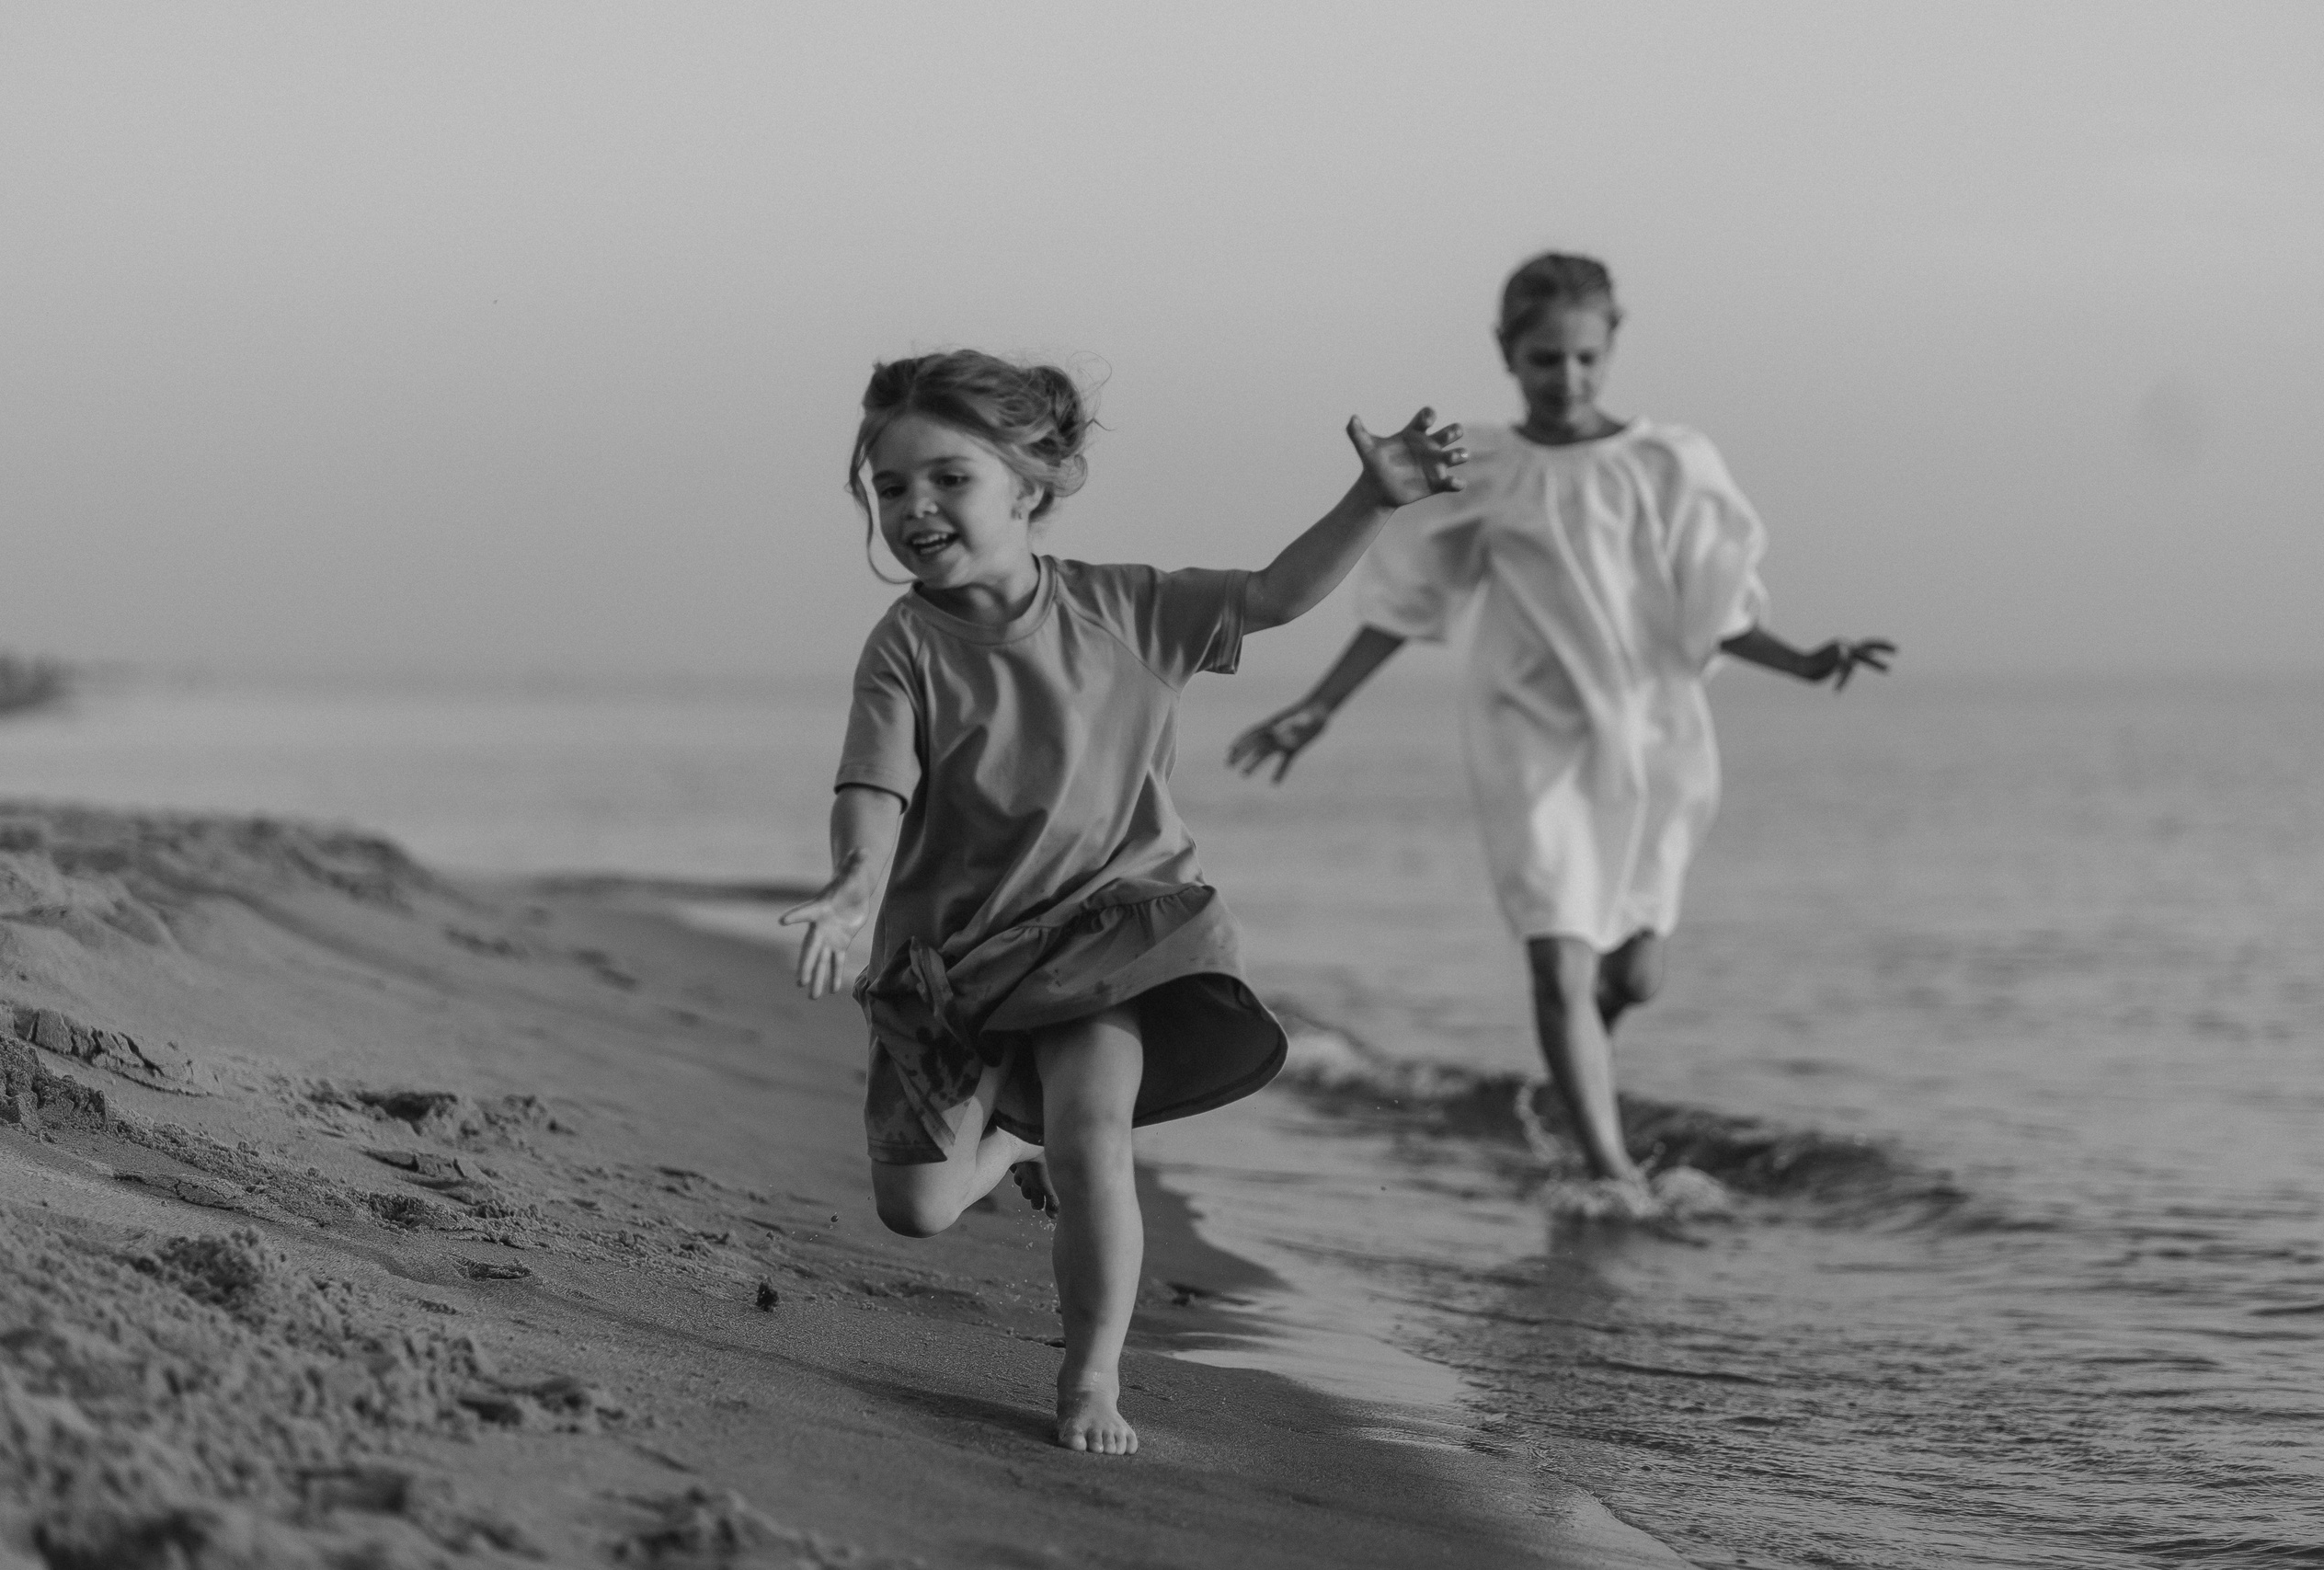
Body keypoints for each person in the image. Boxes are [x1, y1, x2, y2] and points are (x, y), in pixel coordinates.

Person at [782, 350, 1464, 1454]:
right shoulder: (905, 645)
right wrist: (855, 886)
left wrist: (1372, 498)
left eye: (948, 479)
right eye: (890, 486)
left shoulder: (1129, 609)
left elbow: (1277, 596)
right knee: (919, 1207)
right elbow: (874, 784)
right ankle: (1017, 1137)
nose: (914, 507)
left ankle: (1090, 1380)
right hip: (951, 961)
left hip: (1113, 925)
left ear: (1032, 487)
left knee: (1097, 1128)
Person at [1228, 253, 1893, 1187]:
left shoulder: (1671, 463)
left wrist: (1806, 660)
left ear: (1611, 344)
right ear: (1508, 354)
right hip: (1528, 737)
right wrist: (1318, 708)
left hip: (1653, 744)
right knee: (1558, 962)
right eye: (1545, 359)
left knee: (1633, 978)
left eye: (1584, 357)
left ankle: (1576, 1072)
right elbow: (1407, 601)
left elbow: (1718, 608)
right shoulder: (1483, 465)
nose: (1566, 378)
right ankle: (1609, 1171)